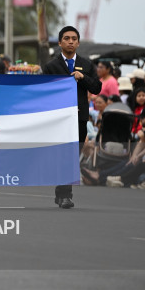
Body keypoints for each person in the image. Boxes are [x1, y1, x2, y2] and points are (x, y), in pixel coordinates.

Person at [43, 25, 101, 209]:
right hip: (59, 118)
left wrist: (82, 77)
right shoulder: (51, 66)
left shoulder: (86, 64)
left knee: (72, 155)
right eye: (66, 38)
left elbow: (97, 88)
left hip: (80, 117)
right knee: (62, 155)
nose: (70, 41)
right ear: (60, 42)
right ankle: (65, 194)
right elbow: (44, 91)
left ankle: (62, 193)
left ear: (78, 42)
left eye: (74, 38)